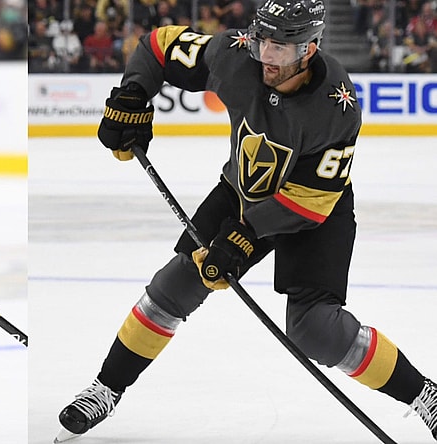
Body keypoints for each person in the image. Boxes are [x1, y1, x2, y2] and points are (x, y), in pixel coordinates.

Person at [54, 0, 437, 441]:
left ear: (309, 48)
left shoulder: (338, 105)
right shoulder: (236, 55)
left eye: (279, 47)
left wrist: (246, 235)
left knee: (315, 329)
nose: (266, 57)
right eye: (262, 42)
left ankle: (423, 393)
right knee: (175, 284)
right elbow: (157, 46)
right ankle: (106, 388)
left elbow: (311, 203)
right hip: (245, 189)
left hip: (313, 207)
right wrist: (134, 93)